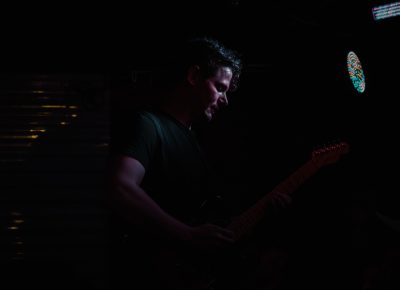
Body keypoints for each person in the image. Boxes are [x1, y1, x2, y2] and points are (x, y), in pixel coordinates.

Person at [107, 36, 291, 290]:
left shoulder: (193, 140)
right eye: (220, 87)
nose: (225, 99)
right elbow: (120, 188)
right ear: (194, 76)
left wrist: (259, 216)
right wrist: (187, 235)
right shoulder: (148, 125)